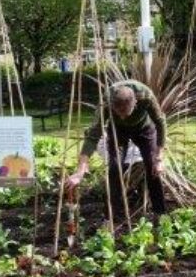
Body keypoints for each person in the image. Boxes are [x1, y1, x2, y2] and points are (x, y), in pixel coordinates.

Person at [67, 80, 167, 215]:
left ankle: (159, 213)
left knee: (152, 166)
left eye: (126, 113)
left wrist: (159, 159)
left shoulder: (145, 95)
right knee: (115, 168)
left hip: (144, 129)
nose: (122, 116)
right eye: (118, 113)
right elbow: (93, 135)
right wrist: (80, 171)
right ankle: (112, 215)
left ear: (135, 102)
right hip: (117, 131)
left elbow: (160, 122)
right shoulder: (106, 102)